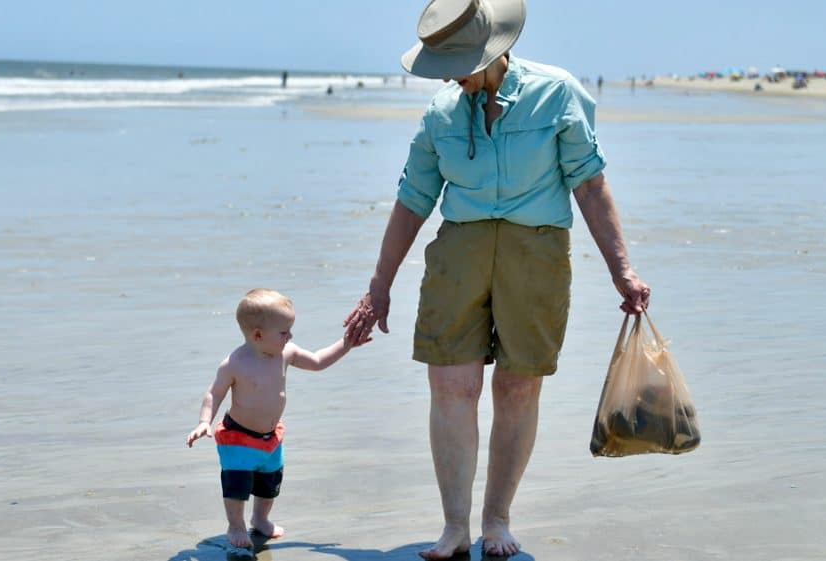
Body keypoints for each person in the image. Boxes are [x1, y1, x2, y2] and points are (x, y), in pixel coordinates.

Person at [343, 0, 650, 558]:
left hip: (535, 254)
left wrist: (621, 269)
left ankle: (496, 520)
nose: (451, 75)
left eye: (459, 61)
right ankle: (455, 527)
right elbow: (412, 200)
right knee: (451, 387)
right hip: (458, 252)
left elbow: (589, 184)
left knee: (517, 386)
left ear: (494, 49)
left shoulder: (557, 93)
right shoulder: (441, 111)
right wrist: (377, 287)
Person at [186, 288, 368, 550]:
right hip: (238, 437)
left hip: (270, 437)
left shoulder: (287, 352)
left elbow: (317, 361)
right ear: (257, 335)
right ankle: (235, 525)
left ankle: (260, 519)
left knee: (269, 483)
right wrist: (204, 422)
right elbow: (213, 394)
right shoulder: (234, 363)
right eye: (284, 332)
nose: (290, 336)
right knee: (236, 485)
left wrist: (347, 344)